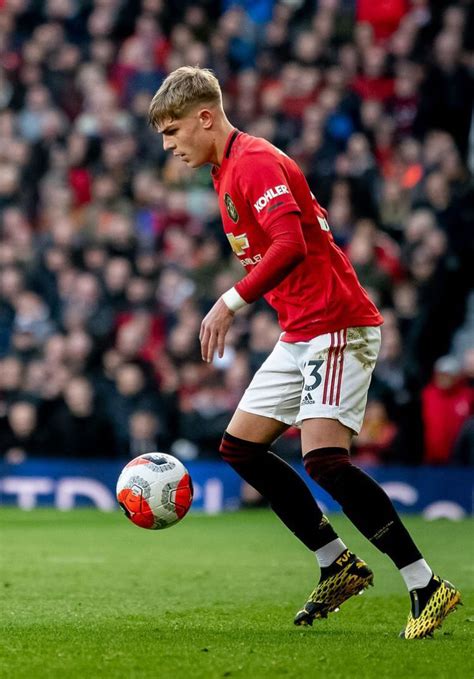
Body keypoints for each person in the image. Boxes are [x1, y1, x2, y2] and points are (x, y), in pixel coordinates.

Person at [148, 66, 461, 639]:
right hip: (300, 331)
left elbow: (291, 244)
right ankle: (335, 563)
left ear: (205, 117)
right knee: (240, 449)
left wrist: (229, 303)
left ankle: (425, 584)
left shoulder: (254, 162)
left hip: (337, 323)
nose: (168, 146)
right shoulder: (225, 172)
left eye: (172, 131)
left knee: (324, 462)